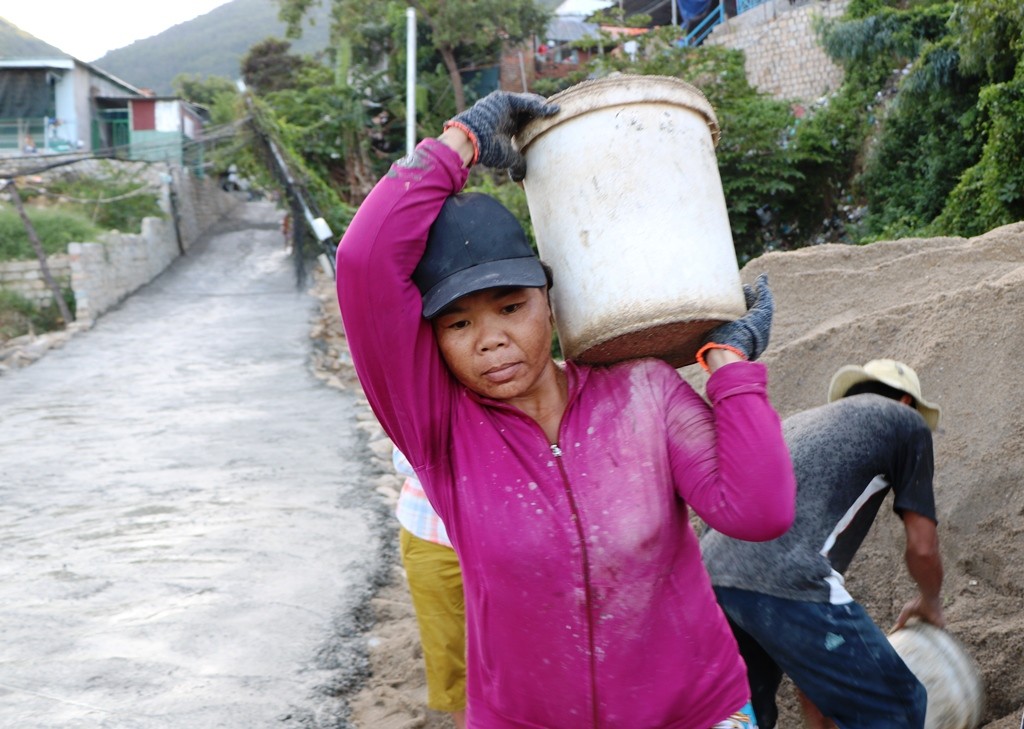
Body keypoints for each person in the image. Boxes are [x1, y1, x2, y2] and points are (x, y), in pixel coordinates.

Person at [336, 89, 797, 728]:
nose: (490, 339)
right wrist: (459, 142)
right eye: (458, 322)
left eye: (510, 306)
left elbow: (760, 509)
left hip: (696, 712)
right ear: (434, 339)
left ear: (550, 302)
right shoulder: (439, 431)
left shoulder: (642, 391)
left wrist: (731, 368)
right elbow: (363, 263)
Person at [701, 358, 945, 729]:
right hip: (784, 577)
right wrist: (930, 602)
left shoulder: (796, 426)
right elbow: (923, 547)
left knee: (747, 715)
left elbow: (814, 670)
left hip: (713, 576)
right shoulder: (906, 423)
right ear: (908, 402)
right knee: (897, 705)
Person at [393, 447, 467, 729]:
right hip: (431, 532)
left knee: (514, 639)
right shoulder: (425, 401)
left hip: (509, 536)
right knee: (445, 643)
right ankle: (465, 723)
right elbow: (406, 459)